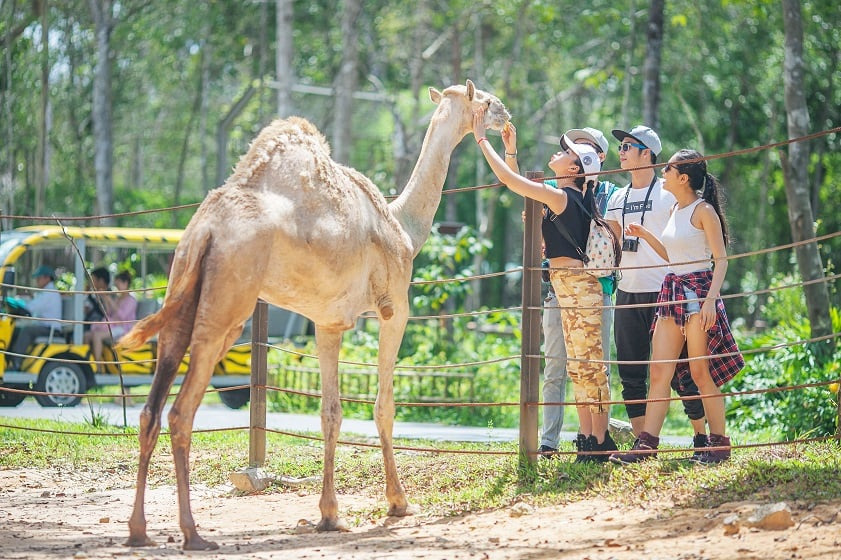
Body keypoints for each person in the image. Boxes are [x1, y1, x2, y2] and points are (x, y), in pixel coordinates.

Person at [474, 109, 616, 462]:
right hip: (568, 287)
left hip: (579, 288)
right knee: (579, 367)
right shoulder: (564, 196)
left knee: (589, 366)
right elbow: (522, 185)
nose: (559, 152)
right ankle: (587, 439)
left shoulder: (564, 198)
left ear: (574, 169)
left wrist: (480, 139)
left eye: (566, 152)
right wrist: (510, 150)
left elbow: (510, 181)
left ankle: (599, 440)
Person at [610, 149, 744, 464]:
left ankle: (719, 444)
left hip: (698, 292)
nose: (663, 171)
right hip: (672, 290)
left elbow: (720, 259)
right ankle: (646, 445)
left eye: (668, 168)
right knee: (659, 370)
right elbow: (671, 256)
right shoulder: (673, 209)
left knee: (699, 372)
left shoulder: (703, 211)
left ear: (683, 177)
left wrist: (711, 299)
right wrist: (645, 235)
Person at [603, 126, 708, 452]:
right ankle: (643, 444)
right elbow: (611, 243)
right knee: (631, 372)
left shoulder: (669, 193)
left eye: (627, 146)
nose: (621, 151)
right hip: (628, 292)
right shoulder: (617, 197)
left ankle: (702, 437)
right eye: (620, 146)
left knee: (683, 372)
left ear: (647, 152)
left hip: (666, 292)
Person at [9, 265, 63, 369]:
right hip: (44, 326)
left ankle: (16, 363)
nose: (37, 281)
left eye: (39, 278)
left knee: (26, 331)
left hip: (50, 329)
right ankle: (11, 359)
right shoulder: (45, 292)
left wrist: (19, 305)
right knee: (16, 330)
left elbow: (32, 307)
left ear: (47, 278)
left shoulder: (49, 293)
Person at [84, 270, 137, 371]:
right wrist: (104, 300)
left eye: (118, 285)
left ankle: (98, 366)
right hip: (114, 326)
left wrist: (110, 301)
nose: (117, 288)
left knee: (96, 336)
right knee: (87, 335)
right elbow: (109, 314)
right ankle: (89, 362)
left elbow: (122, 317)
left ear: (125, 284)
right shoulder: (118, 298)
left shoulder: (131, 300)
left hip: (123, 328)